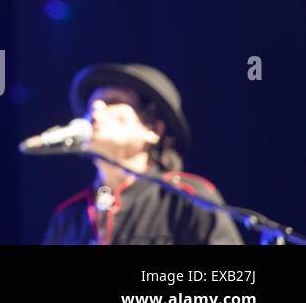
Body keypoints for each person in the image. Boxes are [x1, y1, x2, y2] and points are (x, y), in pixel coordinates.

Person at [42, 62, 242, 245]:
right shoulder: (67, 217)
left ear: (153, 129)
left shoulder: (189, 198)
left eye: (112, 101)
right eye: (91, 104)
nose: (95, 109)